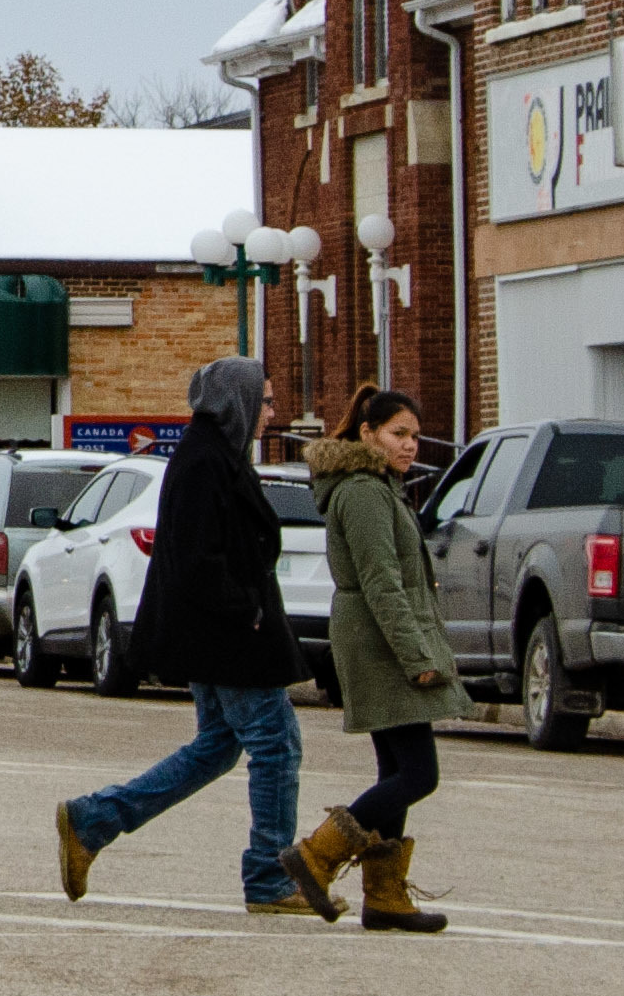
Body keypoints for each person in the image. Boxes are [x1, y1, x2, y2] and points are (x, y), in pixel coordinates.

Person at [51, 357, 323, 918]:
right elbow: (198, 558)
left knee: (217, 748)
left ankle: (95, 819)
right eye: (266, 402)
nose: (272, 414)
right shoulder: (205, 459)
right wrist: (243, 610)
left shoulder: (216, 453)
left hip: (223, 632)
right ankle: (269, 876)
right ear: (239, 402)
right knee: (276, 745)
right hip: (229, 636)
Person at [283, 385, 463, 932]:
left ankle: (384, 897)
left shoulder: (383, 487)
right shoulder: (362, 491)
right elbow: (382, 584)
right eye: (397, 434)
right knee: (418, 773)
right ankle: (316, 855)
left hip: (380, 638)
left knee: (396, 769)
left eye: (413, 435)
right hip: (380, 643)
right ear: (367, 434)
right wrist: (417, 657)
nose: (409, 445)